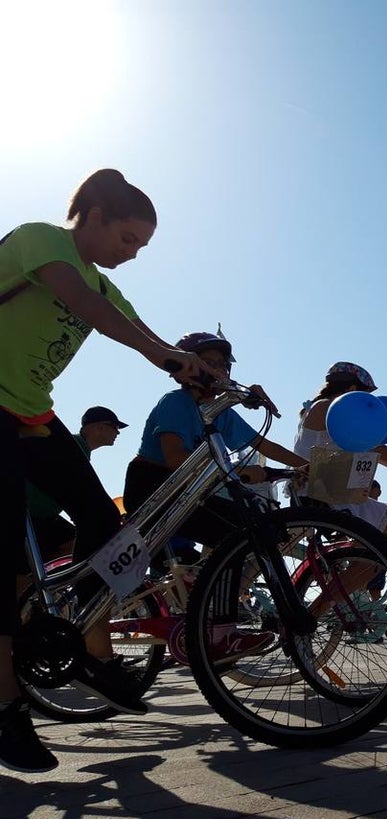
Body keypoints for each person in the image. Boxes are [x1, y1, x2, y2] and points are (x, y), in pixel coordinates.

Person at [0, 169, 219, 772]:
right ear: (93, 215)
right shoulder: (41, 239)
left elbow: (144, 332)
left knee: (107, 524)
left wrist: (199, 369)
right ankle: (6, 710)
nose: (133, 254)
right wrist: (167, 358)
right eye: (128, 239)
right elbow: (86, 306)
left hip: (30, 412)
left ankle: (91, 650)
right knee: (5, 552)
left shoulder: (103, 281)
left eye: (141, 246)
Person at [122, 331, 305, 663]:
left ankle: (204, 598)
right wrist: (238, 473)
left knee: (248, 526)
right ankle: (221, 634)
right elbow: (175, 458)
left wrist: (306, 467)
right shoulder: (176, 402)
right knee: (234, 534)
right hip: (153, 483)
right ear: (187, 368)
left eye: (223, 365)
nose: (219, 370)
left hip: (186, 486)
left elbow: (263, 445)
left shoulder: (219, 411)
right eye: (209, 362)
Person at [295, 362, 387, 545]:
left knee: (372, 537)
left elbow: (369, 448)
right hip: (322, 493)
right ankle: (355, 563)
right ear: (352, 390)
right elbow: (371, 446)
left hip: (318, 489)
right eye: (365, 397)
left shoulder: (317, 408)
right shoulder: (327, 408)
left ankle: (349, 561)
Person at [26, 406, 129, 559]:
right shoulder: (74, 448)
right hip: (33, 514)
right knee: (83, 543)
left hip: (38, 514)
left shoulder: (76, 447)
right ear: (99, 427)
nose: (118, 433)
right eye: (115, 427)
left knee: (72, 544)